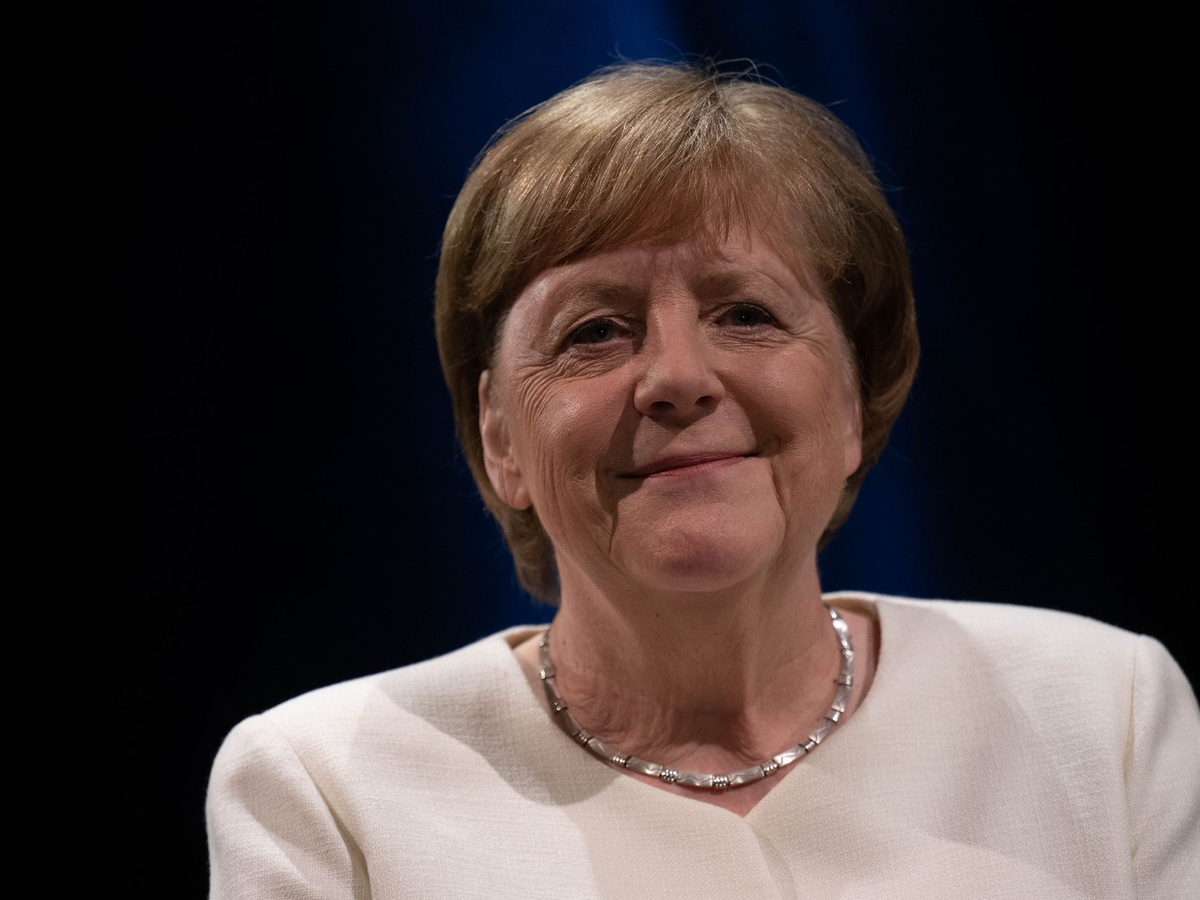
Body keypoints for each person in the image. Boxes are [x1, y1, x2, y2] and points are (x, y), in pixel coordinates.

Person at [205, 61, 1200, 898]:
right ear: (500, 435)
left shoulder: (1101, 711)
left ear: (854, 396)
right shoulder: (326, 790)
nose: (678, 377)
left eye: (746, 314)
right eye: (596, 331)